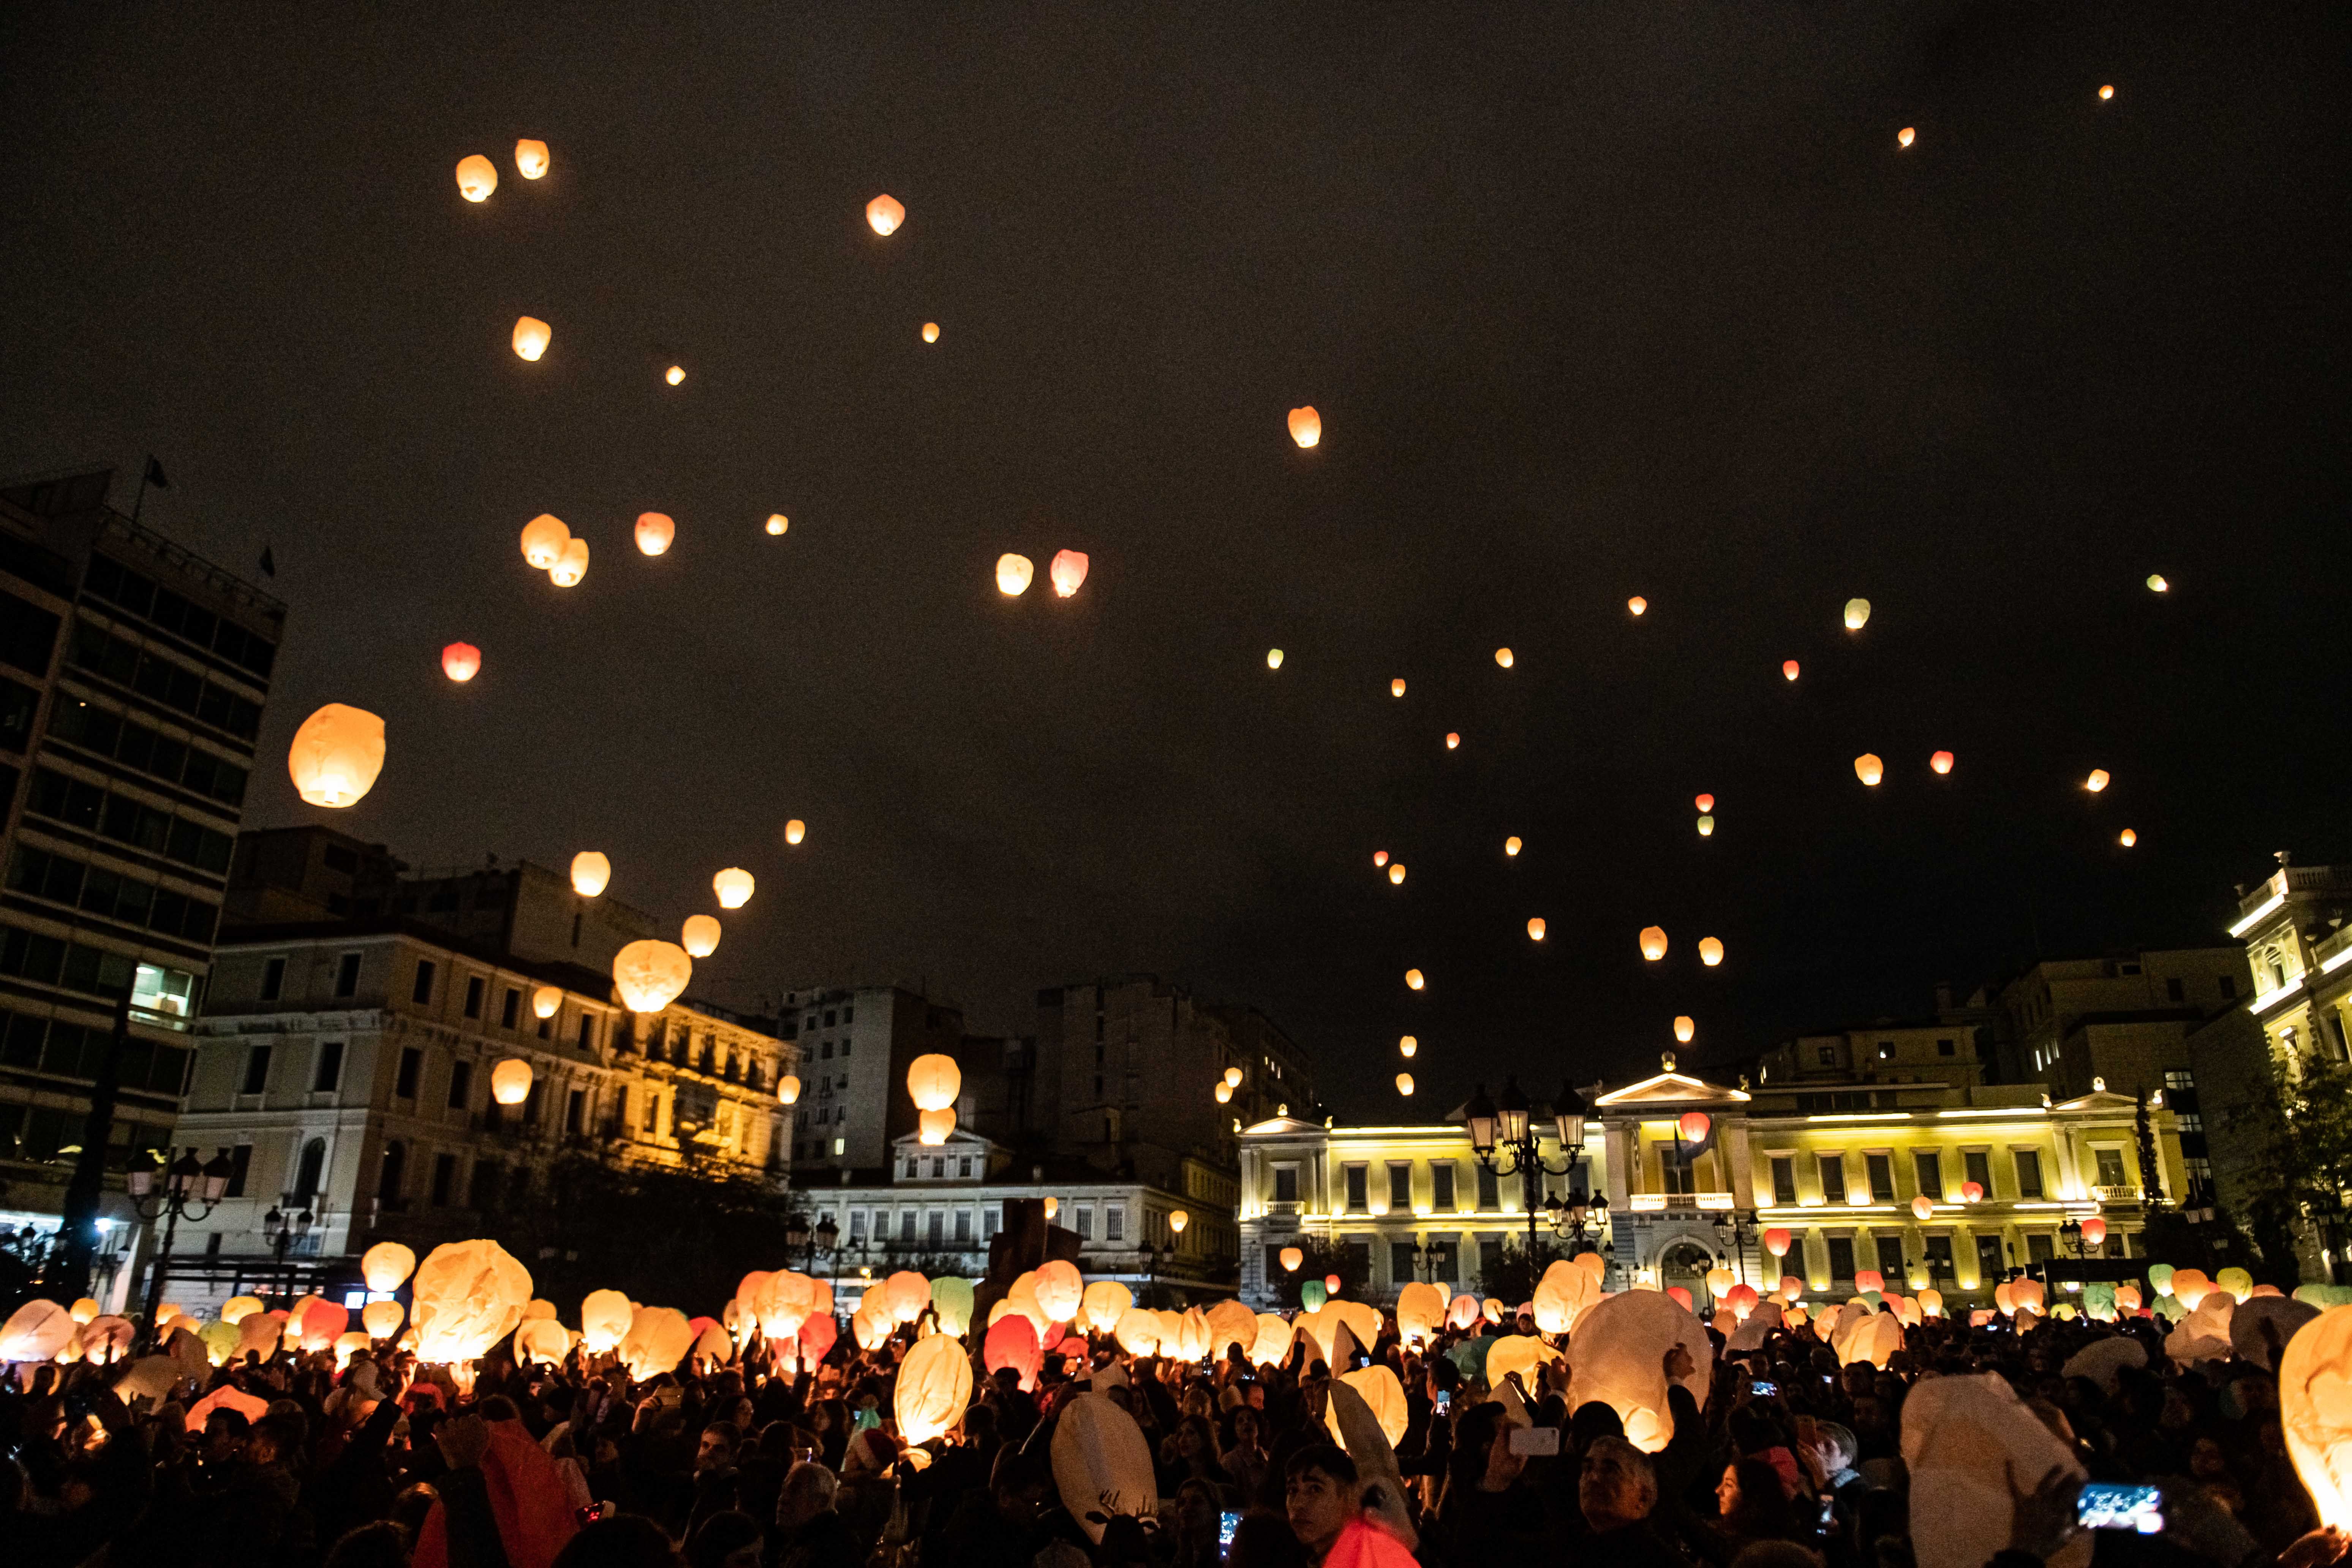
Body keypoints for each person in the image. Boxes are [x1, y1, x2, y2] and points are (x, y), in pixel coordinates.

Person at [1578, 1437, 1686, 1568]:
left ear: (1643, 1497)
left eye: (1610, 1470)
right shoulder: (1567, 1548)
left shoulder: (1658, 1560)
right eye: (1588, 1468)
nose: (1593, 1478)